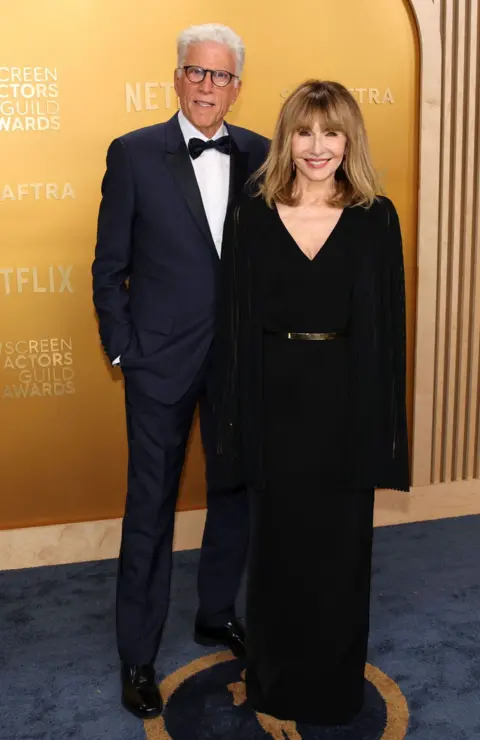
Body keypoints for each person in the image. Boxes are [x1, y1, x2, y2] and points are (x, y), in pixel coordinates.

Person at [216, 80, 409, 725]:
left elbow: (387, 332)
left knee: (340, 554)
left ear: (349, 138)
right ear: (286, 138)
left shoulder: (377, 216)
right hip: (274, 403)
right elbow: (234, 325)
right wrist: (237, 422)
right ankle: (275, 684)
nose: (318, 147)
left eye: (331, 133)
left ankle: (332, 689)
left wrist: (381, 429)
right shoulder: (250, 212)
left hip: (345, 404)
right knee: (276, 555)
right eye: (305, 132)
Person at [92, 23, 269, 719]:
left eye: (221, 77)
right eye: (196, 72)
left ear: (236, 88)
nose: (207, 86)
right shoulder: (135, 154)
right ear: (176, 77)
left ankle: (215, 612)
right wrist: (123, 349)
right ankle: (137, 655)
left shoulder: (261, 153)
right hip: (158, 364)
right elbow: (109, 268)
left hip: (238, 364)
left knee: (235, 496)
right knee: (151, 510)